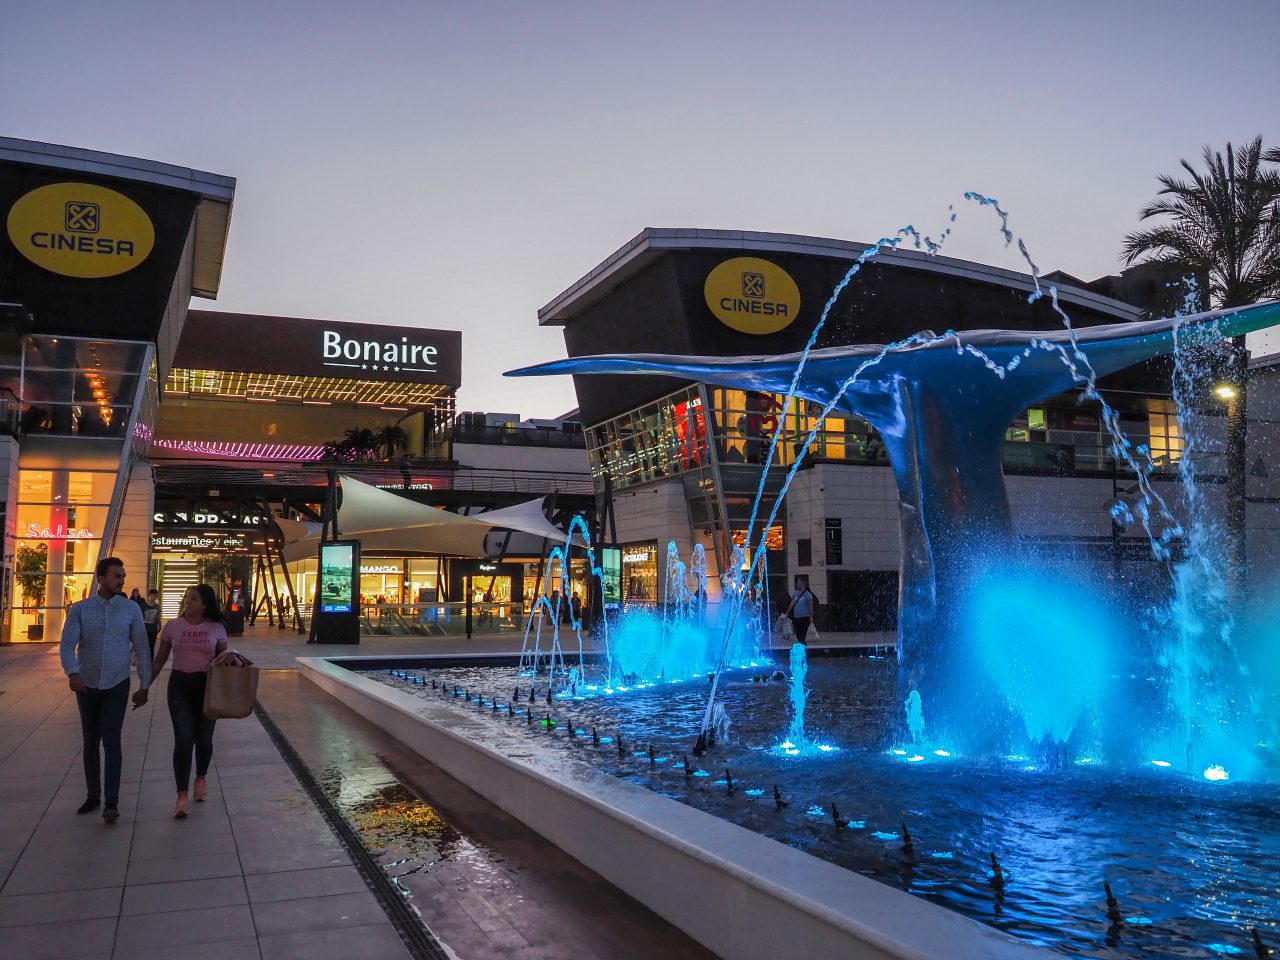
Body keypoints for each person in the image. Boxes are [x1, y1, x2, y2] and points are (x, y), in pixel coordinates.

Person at [59, 557, 152, 823]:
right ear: (101, 578)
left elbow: (142, 648)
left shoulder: (131, 609)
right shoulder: (80, 610)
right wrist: (72, 672)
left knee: (112, 740)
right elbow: (68, 644)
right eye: (116, 576)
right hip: (87, 685)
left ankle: (111, 801)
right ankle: (93, 795)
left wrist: (144, 685)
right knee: (90, 741)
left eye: (122, 576)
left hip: (117, 683)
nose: (121, 580)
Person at [151, 584, 228, 819]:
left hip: (207, 688)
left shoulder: (217, 627)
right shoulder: (172, 626)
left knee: (204, 739)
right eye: (186, 597)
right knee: (184, 739)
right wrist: (145, 686)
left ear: (204, 604)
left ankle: (201, 777)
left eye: (193, 598)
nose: (188, 601)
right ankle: (181, 795)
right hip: (180, 686)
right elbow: (161, 658)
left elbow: (224, 659)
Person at [784, 575, 819, 645]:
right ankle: (801, 647)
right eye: (797, 583)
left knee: (803, 635)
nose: (797, 585)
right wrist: (787, 612)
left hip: (805, 618)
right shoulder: (795, 593)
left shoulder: (808, 595)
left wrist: (811, 616)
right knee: (798, 634)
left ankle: (803, 649)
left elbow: (810, 606)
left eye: (799, 583)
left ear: (803, 584)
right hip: (796, 617)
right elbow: (792, 603)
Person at [141, 589, 162, 662]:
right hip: (144, 629)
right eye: (151, 596)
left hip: (153, 630)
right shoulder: (143, 606)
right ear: (148, 596)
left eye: (155, 596)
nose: (153, 598)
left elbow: (158, 617)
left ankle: (150, 662)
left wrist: (159, 626)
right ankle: (144, 661)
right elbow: (140, 618)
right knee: (145, 646)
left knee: (151, 646)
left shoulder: (158, 607)